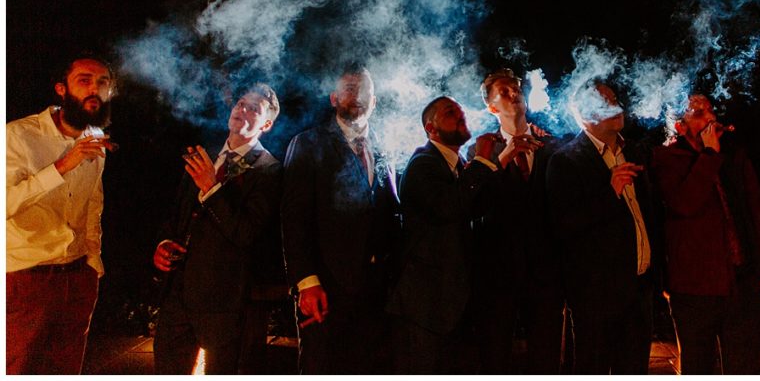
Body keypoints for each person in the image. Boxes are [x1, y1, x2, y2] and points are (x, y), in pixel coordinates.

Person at [151, 83, 283, 375]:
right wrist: (163, 243)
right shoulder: (205, 155)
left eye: (254, 109)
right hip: (178, 297)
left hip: (226, 305)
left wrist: (212, 188)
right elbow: (176, 213)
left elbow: (247, 233)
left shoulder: (269, 170)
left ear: (267, 124)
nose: (242, 110)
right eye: (240, 103)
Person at [651, 93, 760, 374]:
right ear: (679, 126)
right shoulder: (666, 158)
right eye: (698, 113)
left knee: (745, 368)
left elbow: (758, 213)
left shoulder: (733, 155)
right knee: (698, 368)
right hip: (694, 291)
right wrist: (709, 155)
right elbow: (685, 203)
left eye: (711, 110)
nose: (710, 118)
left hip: (742, 285)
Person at [280, 66, 400, 374]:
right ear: (334, 98)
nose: (357, 96)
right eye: (349, 88)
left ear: (374, 101)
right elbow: (295, 217)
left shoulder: (387, 147)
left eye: (364, 91)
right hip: (326, 287)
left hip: (376, 291)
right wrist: (306, 281)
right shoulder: (308, 143)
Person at [7, 53, 117, 374]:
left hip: (76, 278)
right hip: (25, 277)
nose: (94, 90)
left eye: (102, 83)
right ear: (61, 89)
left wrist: (92, 265)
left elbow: (93, 205)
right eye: (84, 81)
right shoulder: (17, 136)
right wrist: (62, 166)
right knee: (18, 368)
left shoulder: (94, 139)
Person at [387, 95, 514, 374]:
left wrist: (499, 162)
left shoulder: (456, 167)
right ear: (431, 128)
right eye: (449, 112)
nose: (460, 116)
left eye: (460, 111)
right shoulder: (423, 163)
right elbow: (449, 206)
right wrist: (480, 160)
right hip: (423, 307)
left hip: (448, 307)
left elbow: (477, 208)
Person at [546, 78, 657, 374]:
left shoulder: (633, 152)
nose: (617, 106)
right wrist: (610, 193)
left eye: (615, 98)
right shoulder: (566, 161)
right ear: (585, 116)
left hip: (639, 290)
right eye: (605, 102)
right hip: (596, 296)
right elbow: (564, 226)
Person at [467, 68, 564, 373]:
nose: (514, 94)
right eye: (504, 92)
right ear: (491, 107)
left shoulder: (553, 146)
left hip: (545, 272)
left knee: (547, 358)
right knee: (495, 357)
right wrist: (503, 158)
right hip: (498, 273)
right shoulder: (480, 151)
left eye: (516, 89)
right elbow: (473, 206)